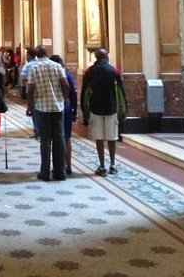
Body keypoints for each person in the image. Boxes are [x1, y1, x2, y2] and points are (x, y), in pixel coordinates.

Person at [81, 48, 127, 176]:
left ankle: (102, 166)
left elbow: (85, 92)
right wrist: (123, 109)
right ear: (106, 57)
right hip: (111, 108)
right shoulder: (113, 70)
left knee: (99, 138)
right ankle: (112, 164)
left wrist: (85, 110)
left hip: (95, 109)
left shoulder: (90, 71)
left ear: (96, 57)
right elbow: (121, 90)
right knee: (112, 138)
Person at [27, 45, 70, 181]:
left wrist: (29, 105)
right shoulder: (57, 66)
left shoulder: (33, 67)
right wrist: (65, 98)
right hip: (58, 107)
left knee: (45, 140)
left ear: (36, 55)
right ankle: (60, 172)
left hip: (42, 107)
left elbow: (30, 88)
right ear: (46, 53)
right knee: (59, 138)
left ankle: (45, 172)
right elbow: (65, 84)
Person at [50, 55, 77, 175]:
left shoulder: (51, 76)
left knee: (56, 138)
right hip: (66, 108)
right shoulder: (67, 75)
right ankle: (68, 166)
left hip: (54, 109)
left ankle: (60, 166)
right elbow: (73, 94)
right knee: (66, 138)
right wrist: (75, 110)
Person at [19, 46, 40, 139]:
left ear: (29, 55)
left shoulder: (27, 65)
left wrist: (29, 81)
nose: (26, 57)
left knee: (34, 111)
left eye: (26, 55)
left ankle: (37, 131)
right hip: (41, 90)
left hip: (31, 90)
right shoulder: (39, 63)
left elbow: (23, 79)